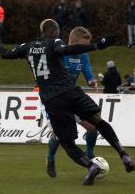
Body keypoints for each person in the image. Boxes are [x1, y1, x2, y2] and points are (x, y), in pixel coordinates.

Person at [0, 19, 135, 185]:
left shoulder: (27, 46)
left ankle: (90, 165)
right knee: (96, 122)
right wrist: (97, 45)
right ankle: (122, 154)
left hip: (53, 99)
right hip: (69, 93)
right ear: (55, 31)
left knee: (69, 142)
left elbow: (4, 53)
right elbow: (67, 49)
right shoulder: (55, 42)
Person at [46, 26, 99, 178]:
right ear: (73, 43)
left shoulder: (82, 55)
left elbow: (87, 69)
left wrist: (91, 81)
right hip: (55, 99)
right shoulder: (60, 53)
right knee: (58, 134)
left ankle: (89, 153)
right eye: (83, 45)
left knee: (93, 127)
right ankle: (50, 159)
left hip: (72, 97)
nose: (85, 48)